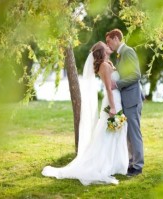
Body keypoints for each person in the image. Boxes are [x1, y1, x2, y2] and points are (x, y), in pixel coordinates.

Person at [42, 41, 128, 185]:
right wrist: (113, 107)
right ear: (102, 51)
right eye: (106, 46)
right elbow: (108, 88)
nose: (108, 46)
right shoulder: (105, 66)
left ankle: (114, 163)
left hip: (116, 98)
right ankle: (105, 163)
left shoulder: (107, 63)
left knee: (115, 131)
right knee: (110, 131)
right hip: (113, 100)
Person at [105, 29, 144, 176]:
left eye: (109, 41)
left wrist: (118, 84)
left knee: (134, 133)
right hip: (125, 100)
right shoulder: (120, 55)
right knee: (127, 133)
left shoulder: (128, 51)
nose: (109, 45)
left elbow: (136, 75)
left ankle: (138, 166)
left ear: (116, 38)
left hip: (132, 100)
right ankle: (131, 161)